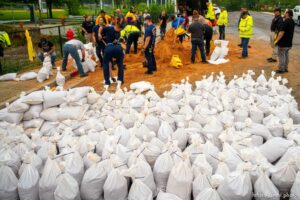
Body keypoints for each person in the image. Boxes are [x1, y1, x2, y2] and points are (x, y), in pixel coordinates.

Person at [274, 9, 295, 73]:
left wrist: (277, 40)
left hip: (283, 43)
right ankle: (285, 68)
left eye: (285, 13)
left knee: (281, 56)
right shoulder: (292, 21)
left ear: (288, 14)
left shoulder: (286, 22)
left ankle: (281, 69)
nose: (284, 13)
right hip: (289, 43)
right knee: (286, 55)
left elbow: (281, 32)